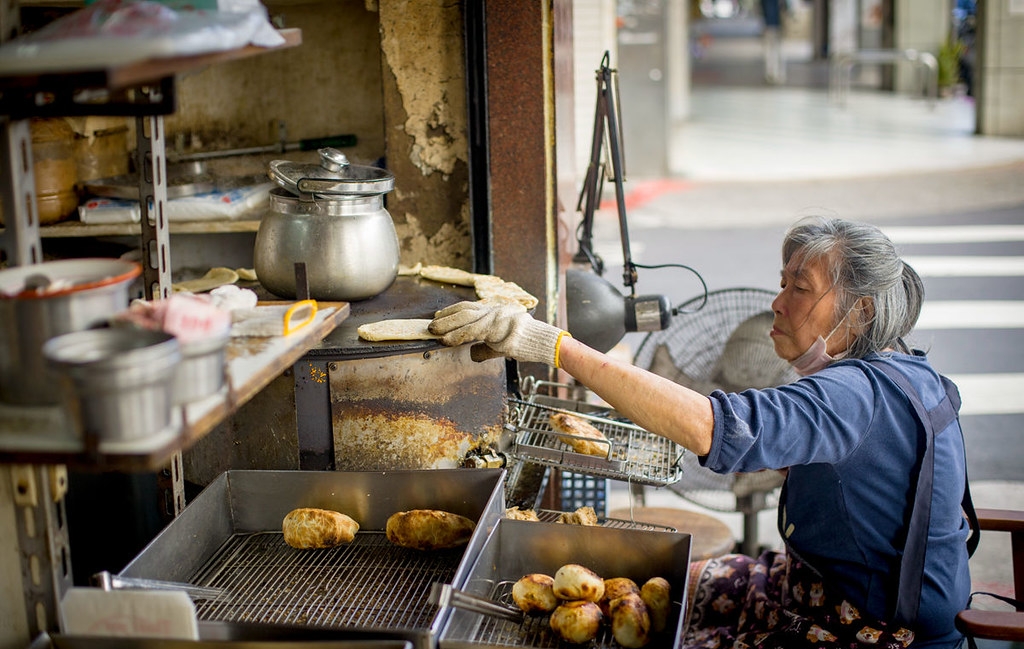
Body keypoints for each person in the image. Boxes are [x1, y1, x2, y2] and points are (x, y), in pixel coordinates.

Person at [429, 216, 972, 648]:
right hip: (814, 581)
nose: (777, 303)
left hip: (874, 627)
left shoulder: (851, 397)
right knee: (674, 585)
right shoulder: (905, 370)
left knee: (679, 632)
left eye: (800, 289)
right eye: (782, 283)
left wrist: (550, 345)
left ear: (860, 314)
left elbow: (714, 428)